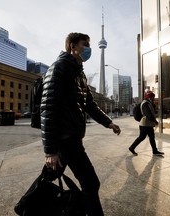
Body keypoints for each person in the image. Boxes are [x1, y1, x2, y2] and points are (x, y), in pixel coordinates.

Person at [40, 32, 121, 216]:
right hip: (65, 139)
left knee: (48, 179)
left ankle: (29, 206)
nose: (88, 49)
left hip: (72, 137)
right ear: (73, 46)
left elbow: (90, 105)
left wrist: (109, 123)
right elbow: (48, 108)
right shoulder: (59, 68)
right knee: (91, 184)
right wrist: (50, 150)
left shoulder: (79, 73)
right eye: (85, 45)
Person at [129, 90, 164, 156]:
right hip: (144, 124)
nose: (153, 98)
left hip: (148, 124)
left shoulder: (148, 103)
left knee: (151, 137)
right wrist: (154, 121)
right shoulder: (145, 103)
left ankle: (155, 150)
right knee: (142, 137)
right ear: (150, 97)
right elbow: (148, 114)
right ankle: (132, 147)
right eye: (153, 97)